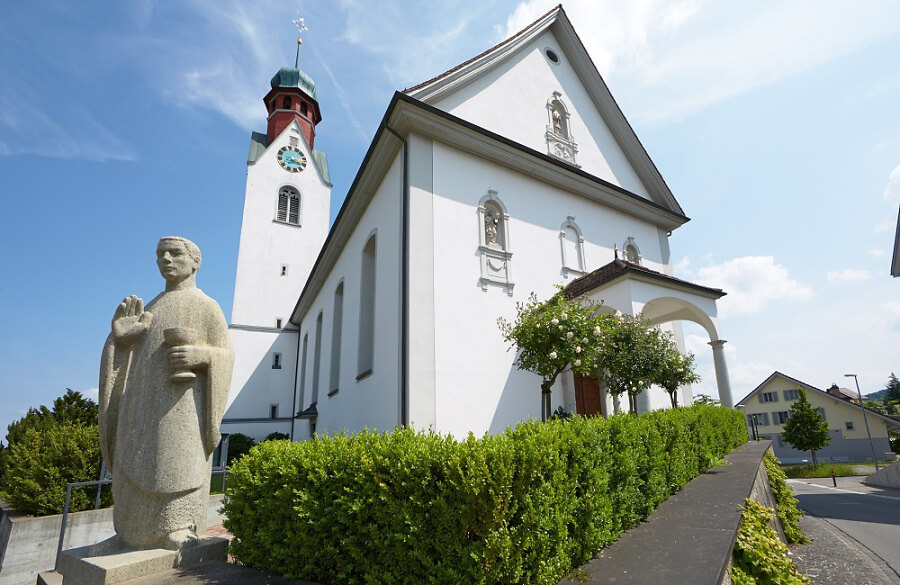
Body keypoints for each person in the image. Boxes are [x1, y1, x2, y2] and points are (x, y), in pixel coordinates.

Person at [98, 236, 233, 550]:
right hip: (140, 408)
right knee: (133, 464)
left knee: (177, 469)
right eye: (160, 254)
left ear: (195, 262)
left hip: (181, 409)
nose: (165, 259)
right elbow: (125, 359)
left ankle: (178, 525)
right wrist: (119, 341)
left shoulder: (206, 306)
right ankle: (131, 530)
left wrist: (202, 356)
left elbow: (225, 354)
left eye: (175, 253)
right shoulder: (152, 307)